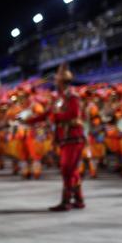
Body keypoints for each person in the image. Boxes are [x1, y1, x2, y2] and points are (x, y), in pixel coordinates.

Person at [27, 63, 85, 211]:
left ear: (62, 82)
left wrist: (55, 116)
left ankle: (66, 201)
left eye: (57, 81)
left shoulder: (72, 97)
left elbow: (73, 114)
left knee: (67, 169)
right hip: (64, 138)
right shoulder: (58, 98)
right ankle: (78, 199)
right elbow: (46, 114)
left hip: (73, 137)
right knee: (71, 170)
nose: (55, 84)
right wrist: (28, 120)